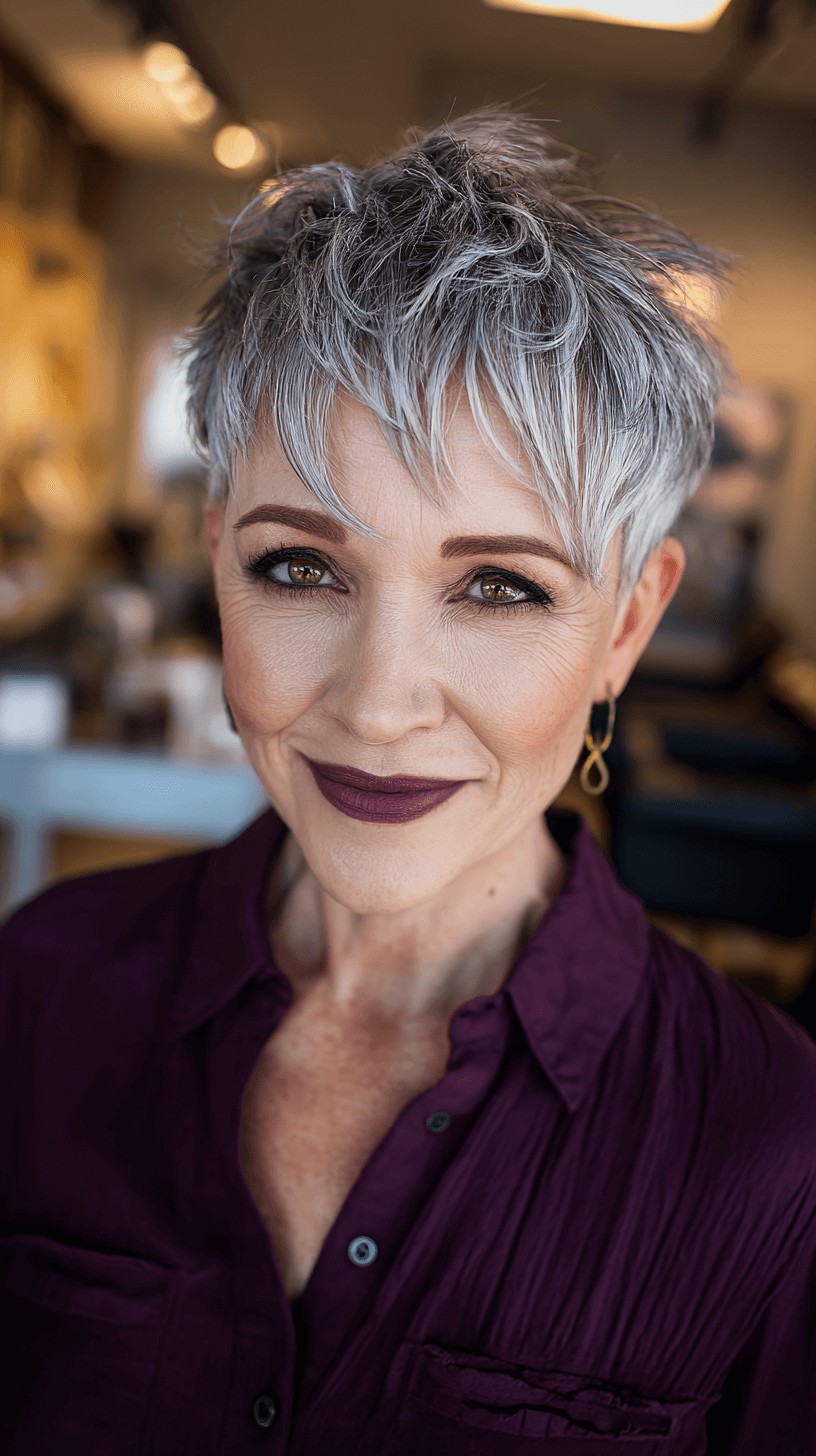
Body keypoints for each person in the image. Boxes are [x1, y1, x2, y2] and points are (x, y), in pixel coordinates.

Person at [1, 110, 814, 1456]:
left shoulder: (769, 1149)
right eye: (299, 568)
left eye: (500, 587)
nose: (379, 704)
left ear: (626, 624)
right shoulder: (38, 994)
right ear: (218, 564)